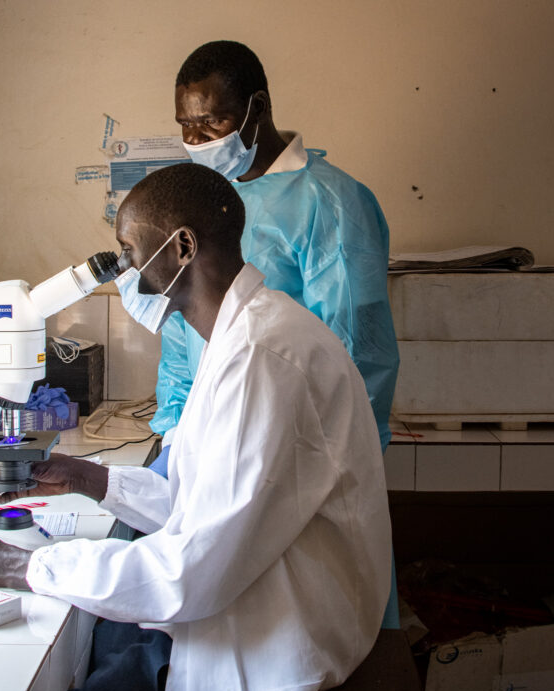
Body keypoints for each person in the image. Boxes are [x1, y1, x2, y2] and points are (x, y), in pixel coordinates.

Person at [0, 163, 393, 691]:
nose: (125, 270)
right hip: (246, 624)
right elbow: (203, 507)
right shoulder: (242, 336)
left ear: (182, 247)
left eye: (130, 250)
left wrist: (12, 564)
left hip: (273, 661)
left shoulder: (261, 357)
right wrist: (88, 479)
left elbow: (190, 570)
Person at [149, 40, 399, 476]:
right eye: (185, 124)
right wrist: (177, 430)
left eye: (210, 121)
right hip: (210, 435)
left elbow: (357, 350)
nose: (194, 140)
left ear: (257, 107)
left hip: (298, 441)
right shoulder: (200, 199)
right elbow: (181, 332)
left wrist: (334, 458)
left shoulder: (329, 202)